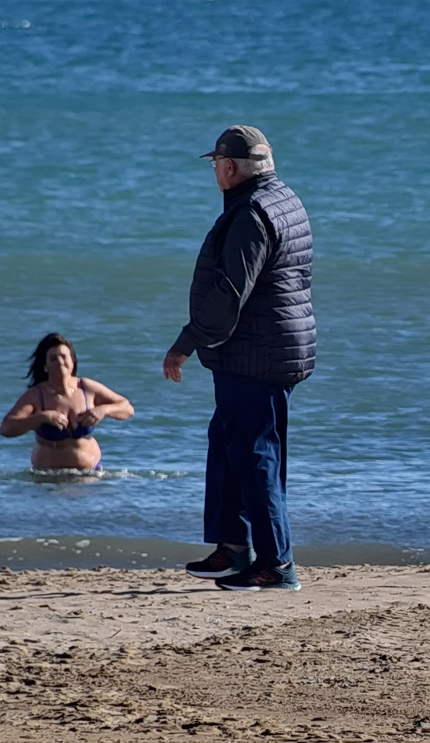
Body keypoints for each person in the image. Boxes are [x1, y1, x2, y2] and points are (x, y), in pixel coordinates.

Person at [163, 125, 316, 592]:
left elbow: (231, 292)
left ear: (229, 168)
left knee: (255, 455)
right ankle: (233, 547)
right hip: (263, 349)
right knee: (229, 442)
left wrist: (186, 342)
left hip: (257, 354)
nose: (215, 172)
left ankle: (277, 564)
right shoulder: (282, 197)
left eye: (215, 165)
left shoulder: (251, 213)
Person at [0, 333, 134, 471]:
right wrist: (41, 418)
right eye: (53, 359)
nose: (60, 362)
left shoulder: (87, 388)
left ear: (73, 361)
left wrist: (103, 410)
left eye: (64, 357)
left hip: (90, 477)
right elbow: (6, 428)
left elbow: (127, 408)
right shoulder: (36, 395)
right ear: (45, 366)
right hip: (48, 479)